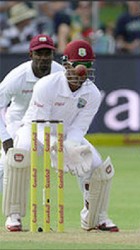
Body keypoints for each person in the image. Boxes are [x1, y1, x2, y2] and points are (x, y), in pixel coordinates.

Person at [2, 39, 119, 233]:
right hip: (33, 130)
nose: (81, 73)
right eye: (77, 66)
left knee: (98, 166)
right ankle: (13, 215)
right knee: (18, 156)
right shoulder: (46, 85)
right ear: (66, 65)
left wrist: (71, 147)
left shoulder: (93, 94)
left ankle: (95, 216)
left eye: (87, 66)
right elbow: (40, 124)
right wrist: (57, 146)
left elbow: (78, 128)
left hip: (65, 135)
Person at [0, 34, 64, 196]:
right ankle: (13, 214)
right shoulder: (17, 77)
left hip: (49, 124)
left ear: (52, 55)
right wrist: (6, 137)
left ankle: (93, 214)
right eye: (39, 54)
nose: (43, 58)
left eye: (47, 53)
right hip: (18, 123)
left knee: (83, 159)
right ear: (31, 55)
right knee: (10, 165)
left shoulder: (60, 73)